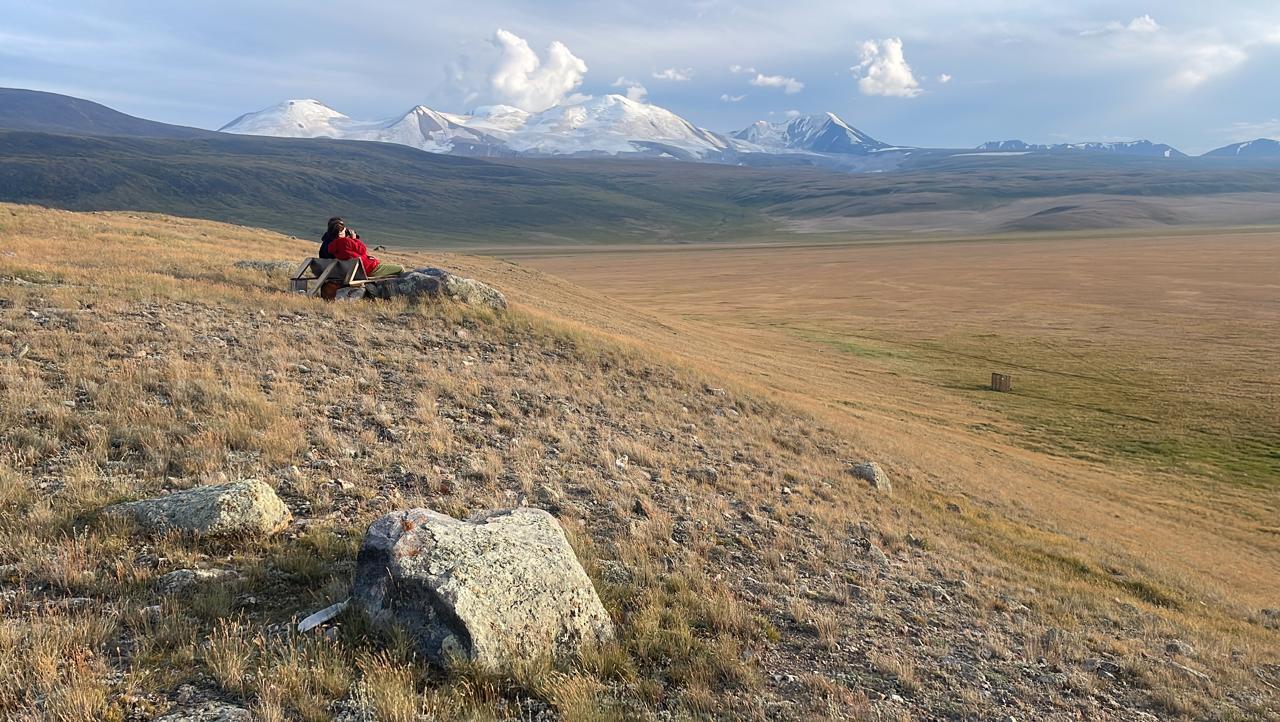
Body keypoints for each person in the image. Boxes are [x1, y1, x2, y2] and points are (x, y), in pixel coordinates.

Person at [321, 218, 403, 278]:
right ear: (340, 233)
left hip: (350, 271)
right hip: (367, 269)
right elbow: (363, 250)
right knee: (400, 268)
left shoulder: (331, 245)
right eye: (343, 230)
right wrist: (354, 238)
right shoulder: (346, 241)